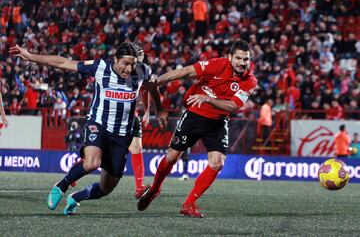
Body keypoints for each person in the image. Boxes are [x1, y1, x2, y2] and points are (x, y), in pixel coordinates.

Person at [10, 42, 167, 215]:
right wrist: (31, 56)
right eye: (125, 63)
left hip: (122, 134)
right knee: (92, 163)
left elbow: (153, 87)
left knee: (106, 188)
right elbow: (63, 63)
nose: (129, 68)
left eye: (133, 64)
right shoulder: (100, 67)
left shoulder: (142, 70)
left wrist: (159, 109)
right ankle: (61, 186)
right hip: (97, 124)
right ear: (115, 59)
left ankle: (76, 197)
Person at [137, 40, 257, 217]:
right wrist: (157, 82)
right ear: (229, 57)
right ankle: (154, 189)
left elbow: (232, 106)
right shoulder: (216, 64)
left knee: (218, 162)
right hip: (194, 115)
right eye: (238, 58)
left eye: (245, 59)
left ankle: (188, 204)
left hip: (218, 120)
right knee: (171, 157)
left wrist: (208, 99)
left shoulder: (250, 81)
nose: (242, 63)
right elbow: (185, 71)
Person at [129, 43, 166, 199]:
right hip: (113, 114)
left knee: (137, 147)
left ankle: (139, 187)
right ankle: (74, 174)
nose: (141, 57)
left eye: (141, 54)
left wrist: (146, 111)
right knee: (98, 155)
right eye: (138, 54)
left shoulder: (141, 70)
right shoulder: (118, 69)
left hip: (131, 115)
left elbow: (145, 89)